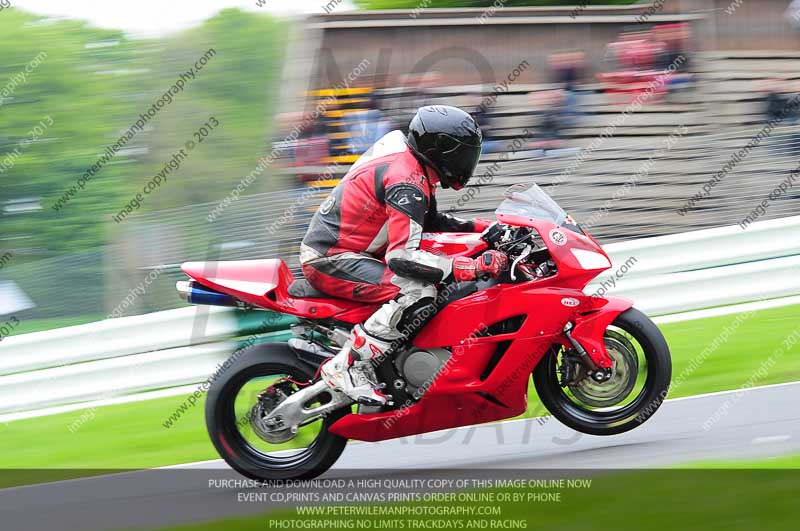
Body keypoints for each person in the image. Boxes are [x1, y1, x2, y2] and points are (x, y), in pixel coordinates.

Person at [298, 105, 507, 405]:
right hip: (331, 259)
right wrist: (468, 267)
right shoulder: (406, 181)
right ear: (442, 150)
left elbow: (431, 222)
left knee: (438, 272)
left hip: (356, 253)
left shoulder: (414, 166)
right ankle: (345, 367)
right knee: (419, 290)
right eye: (465, 152)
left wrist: (487, 230)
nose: (469, 160)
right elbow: (402, 258)